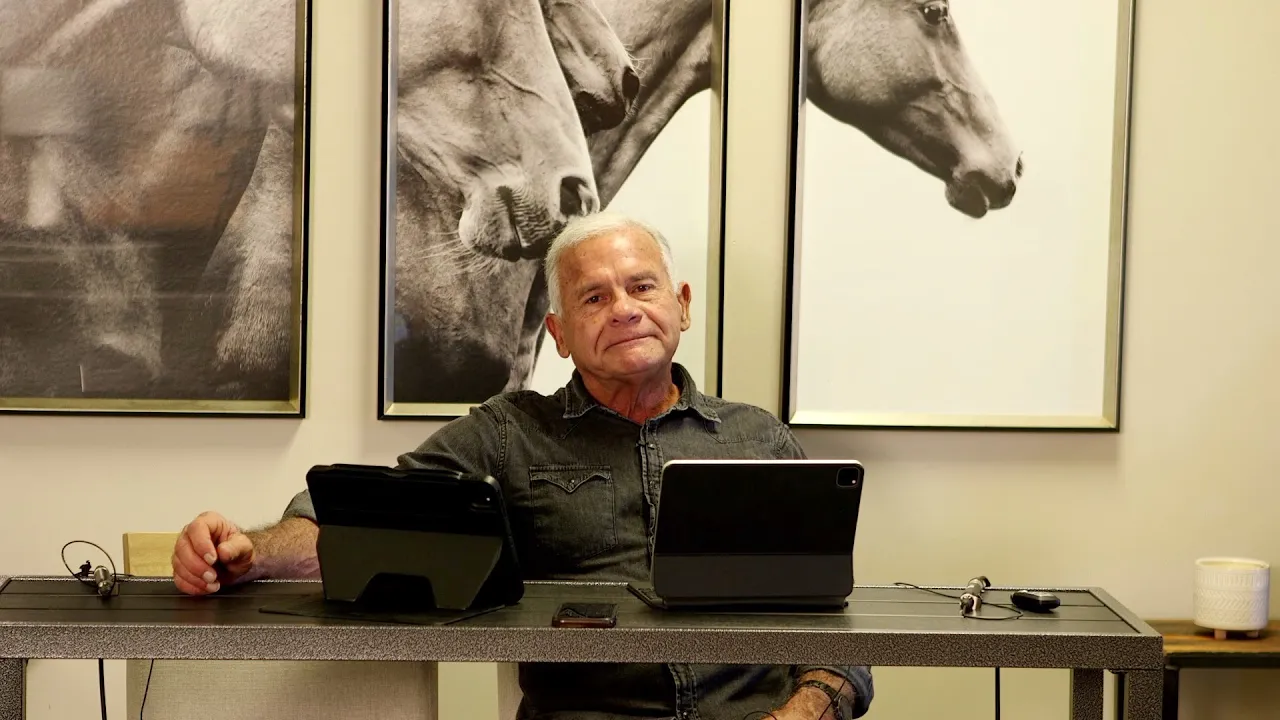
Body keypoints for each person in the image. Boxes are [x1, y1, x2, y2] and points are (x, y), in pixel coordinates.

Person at [171, 211, 874, 720]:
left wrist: (802, 712)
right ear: (559, 335)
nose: (624, 310)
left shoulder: (759, 437)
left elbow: (837, 630)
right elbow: (357, 520)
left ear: (681, 306)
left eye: (642, 287)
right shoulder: (510, 433)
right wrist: (247, 553)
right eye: (594, 297)